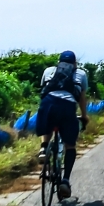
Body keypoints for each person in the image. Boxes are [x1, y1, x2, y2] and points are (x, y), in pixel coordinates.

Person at [36, 51, 89, 198]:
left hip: (48, 103)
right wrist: (84, 116)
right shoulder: (81, 74)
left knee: (48, 123)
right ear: (75, 63)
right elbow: (82, 99)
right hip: (67, 107)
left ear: (59, 62)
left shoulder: (48, 71)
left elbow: (44, 90)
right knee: (70, 146)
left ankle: (43, 148)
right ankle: (65, 181)